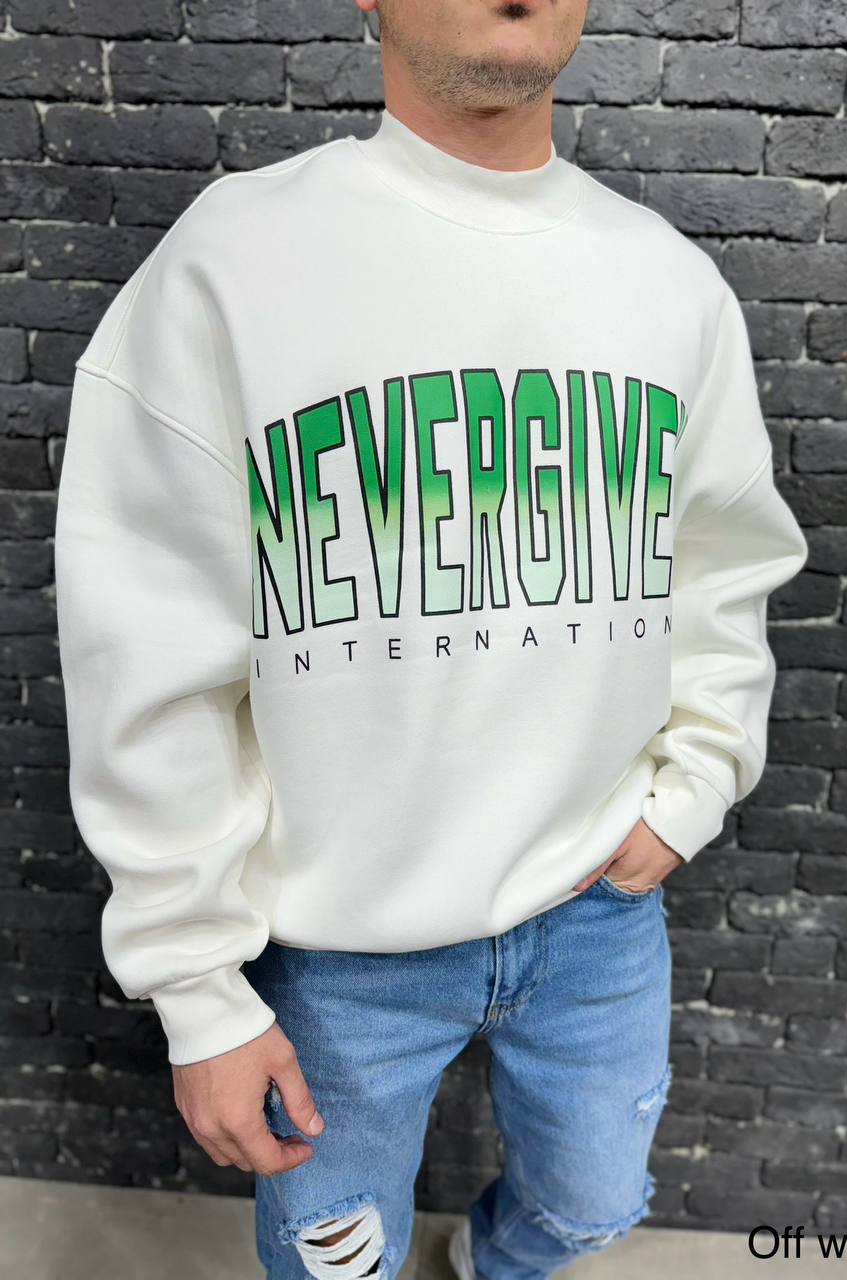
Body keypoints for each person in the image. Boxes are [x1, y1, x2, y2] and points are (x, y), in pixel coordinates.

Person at [53, 1, 808, 1277]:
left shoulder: (668, 282)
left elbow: (725, 569)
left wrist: (693, 788)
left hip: (596, 909)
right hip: (338, 946)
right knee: (336, 1263)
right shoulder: (234, 264)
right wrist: (196, 985)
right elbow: (146, 645)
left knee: (590, 1209)